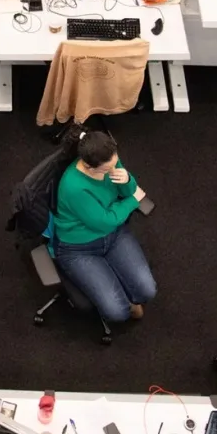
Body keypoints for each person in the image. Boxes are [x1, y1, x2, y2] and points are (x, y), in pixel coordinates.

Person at [50, 130, 155, 323]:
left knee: (147, 291)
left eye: (115, 162)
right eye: (108, 169)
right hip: (79, 248)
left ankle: (122, 286)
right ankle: (121, 296)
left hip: (113, 236)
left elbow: (128, 191)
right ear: (89, 167)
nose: (114, 169)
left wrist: (127, 181)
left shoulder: (108, 159)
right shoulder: (74, 187)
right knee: (117, 313)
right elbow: (105, 220)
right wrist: (132, 200)